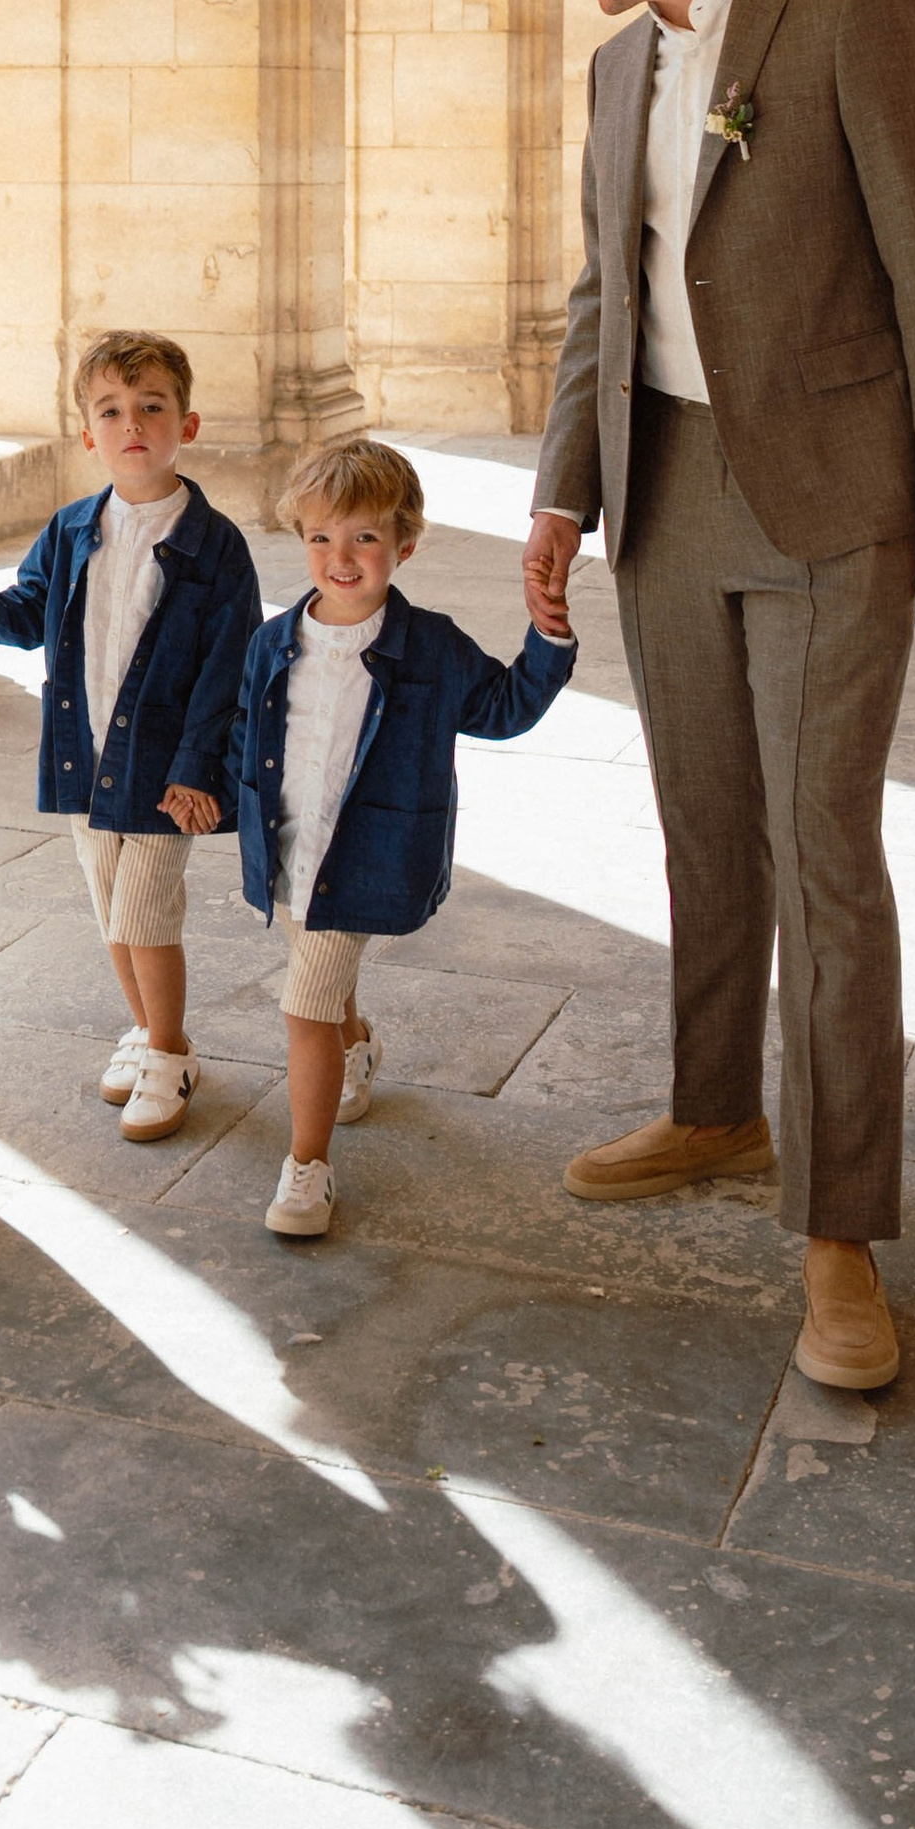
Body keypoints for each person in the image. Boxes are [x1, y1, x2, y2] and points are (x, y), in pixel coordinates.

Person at [504, 0, 915, 1391]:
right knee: (706, 826)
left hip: (833, 499)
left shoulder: (854, 19)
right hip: (665, 499)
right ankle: (717, 1110)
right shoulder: (614, 74)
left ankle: (841, 1235)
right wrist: (560, 496)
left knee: (824, 855)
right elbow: (606, 294)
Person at [230, 438, 574, 1242]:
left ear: (404, 544)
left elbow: (502, 709)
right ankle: (358, 1047)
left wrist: (547, 639)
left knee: (303, 1006)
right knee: (322, 983)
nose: (340, 557)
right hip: (286, 851)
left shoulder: (433, 645)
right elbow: (245, 729)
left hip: (364, 857)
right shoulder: (272, 641)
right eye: (321, 537)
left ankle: (307, 1165)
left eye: (364, 538)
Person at [0, 333, 259, 1138]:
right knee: (114, 913)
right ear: (87, 433)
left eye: (152, 407)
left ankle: (172, 1052)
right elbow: (23, 619)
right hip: (87, 761)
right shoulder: (75, 529)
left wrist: (198, 771)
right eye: (111, 411)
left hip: (165, 772)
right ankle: (146, 1029)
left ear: (188, 423)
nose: (132, 423)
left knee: (147, 915)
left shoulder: (217, 547)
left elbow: (229, 675)